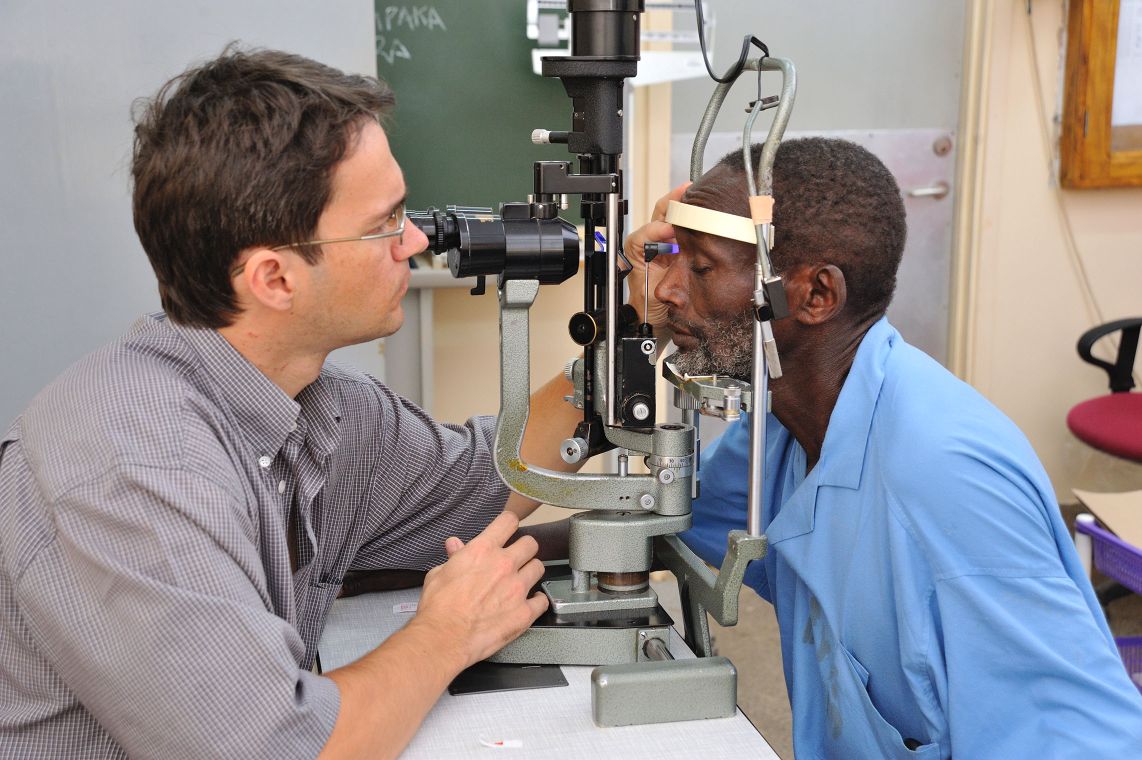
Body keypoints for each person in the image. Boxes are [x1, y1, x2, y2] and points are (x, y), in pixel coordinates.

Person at [0, 48, 581, 758]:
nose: (418, 240)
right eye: (385, 223)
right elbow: (278, 750)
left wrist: (634, 340)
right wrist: (444, 635)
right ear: (274, 279)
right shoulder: (133, 468)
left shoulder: (313, 404)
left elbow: (485, 482)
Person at [625, 138, 1142, 757]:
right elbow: (656, 521)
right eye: (672, 260)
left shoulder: (944, 477)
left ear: (814, 296)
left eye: (701, 268)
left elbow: (1082, 743)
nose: (667, 292)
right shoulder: (783, 427)